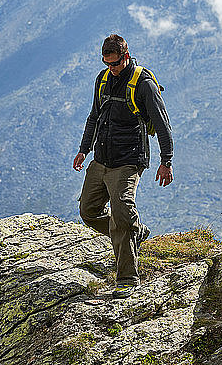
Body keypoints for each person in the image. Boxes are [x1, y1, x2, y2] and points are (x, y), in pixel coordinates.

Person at [73, 34, 173, 299]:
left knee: (120, 214)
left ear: (125, 57)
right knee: (88, 210)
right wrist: (84, 149)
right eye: (107, 63)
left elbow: (162, 124)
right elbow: (94, 116)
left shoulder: (143, 84)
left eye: (115, 63)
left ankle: (128, 278)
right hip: (101, 158)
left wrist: (167, 161)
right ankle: (134, 231)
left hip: (128, 161)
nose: (111, 68)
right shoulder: (102, 79)